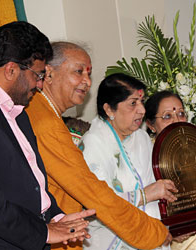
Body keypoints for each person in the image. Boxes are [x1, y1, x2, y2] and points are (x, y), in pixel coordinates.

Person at [26, 41, 172, 250]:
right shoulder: (46, 122)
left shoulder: (46, 115)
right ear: (48, 73)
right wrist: (152, 231)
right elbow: (92, 193)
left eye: (89, 74)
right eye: (78, 72)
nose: (87, 82)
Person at [0, 21, 96, 250]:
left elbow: (33, 184)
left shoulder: (20, 113)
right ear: (11, 70)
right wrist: (44, 232)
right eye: (37, 74)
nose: (40, 84)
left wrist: (57, 217)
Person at [79, 73, 178, 249]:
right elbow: (97, 207)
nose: (142, 110)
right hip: (111, 240)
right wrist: (146, 194)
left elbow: (160, 191)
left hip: (154, 234)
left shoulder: (141, 137)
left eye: (141, 101)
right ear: (109, 109)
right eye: (133, 103)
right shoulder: (93, 144)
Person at [145, 90, 196, 250]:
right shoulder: (146, 158)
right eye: (167, 116)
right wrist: (171, 230)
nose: (176, 120)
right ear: (151, 125)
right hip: (169, 236)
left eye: (181, 114)